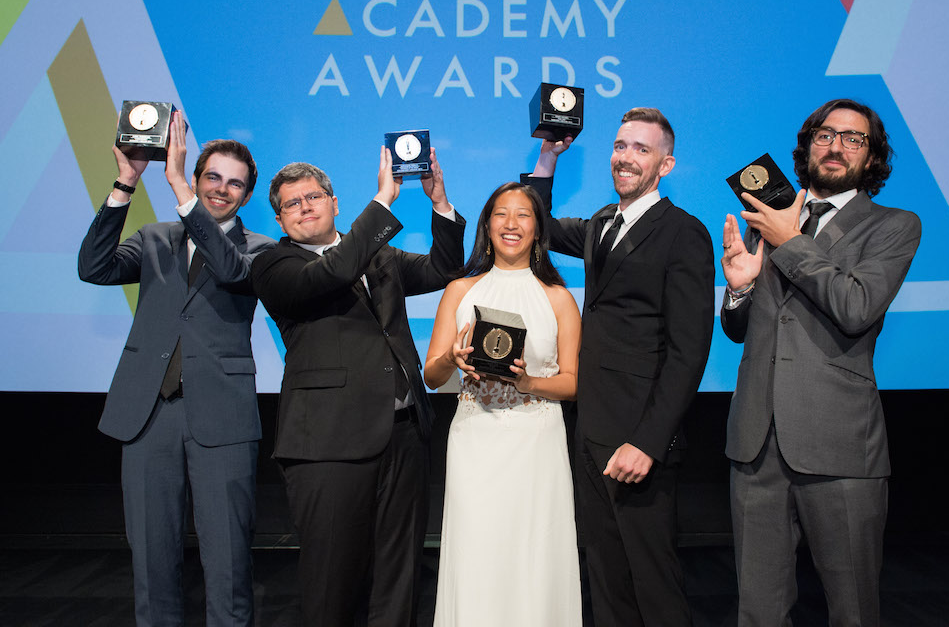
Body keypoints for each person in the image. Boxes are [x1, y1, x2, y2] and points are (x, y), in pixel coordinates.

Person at [720, 98, 921, 627]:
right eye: (826, 134)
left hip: (841, 447)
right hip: (756, 445)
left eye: (854, 139)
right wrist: (737, 292)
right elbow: (742, 332)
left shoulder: (894, 226)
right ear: (808, 145)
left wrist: (790, 241)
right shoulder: (766, 224)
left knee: (852, 610)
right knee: (757, 612)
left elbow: (855, 307)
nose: (836, 146)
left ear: (871, 157)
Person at [250, 147, 465, 627]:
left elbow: (443, 270)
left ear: (334, 202)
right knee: (333, 577)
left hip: (405, 433)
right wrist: (385, 198)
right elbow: (333, 272)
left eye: (314, 196)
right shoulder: (272, 264)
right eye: (292, 203)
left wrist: (440, 205)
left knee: (399, 572)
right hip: (328, 442)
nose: (305, 207)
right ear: (281, 219)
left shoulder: (378, 255)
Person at [78, 113, 272, 627]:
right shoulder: (154, 237)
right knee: (151, 560)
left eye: (234, 183)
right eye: (212, 177)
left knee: (228, 563)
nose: (221, 189)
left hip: (223, 418)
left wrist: (179, 188)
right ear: (202, 177)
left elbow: (229, 271)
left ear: (246, 196)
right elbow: (94, 268)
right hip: (148, 414)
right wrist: (126, 182)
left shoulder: (262, 251)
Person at [524, 107, 715, 627]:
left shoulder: (684, 233)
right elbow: (536, 222)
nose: (624, 158)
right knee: (607, 580)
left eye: (641, 149)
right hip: (590, 430)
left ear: (666, 165)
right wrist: (547, 157)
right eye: (620, 146)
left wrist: (649, 443)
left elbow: (688, 350)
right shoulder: (602, 223)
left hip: (637, 439)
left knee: (653, 582)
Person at [425, 182, 583, 627]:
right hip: (475, 439)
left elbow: (571, 383)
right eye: (500, 214)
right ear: (487, 225)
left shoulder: (558, 298)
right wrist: (452, 360)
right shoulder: (459, 289)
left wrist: (528, 381)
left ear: (538, 229)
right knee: (478, 553)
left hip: (536, 442)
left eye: (523, 215)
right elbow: (431, 375)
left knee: (535, 552)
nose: (511, 224)